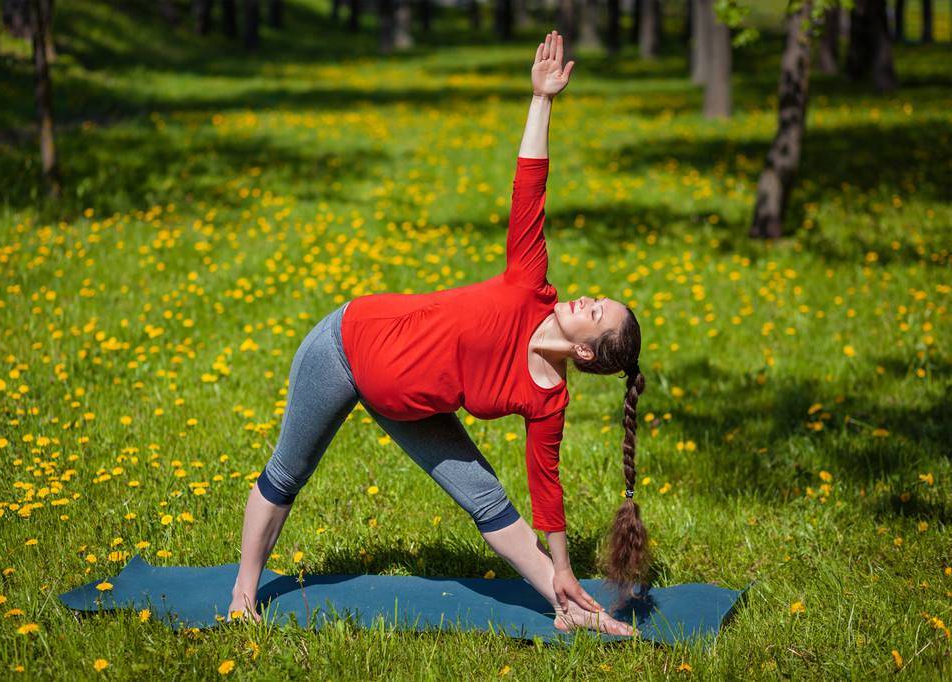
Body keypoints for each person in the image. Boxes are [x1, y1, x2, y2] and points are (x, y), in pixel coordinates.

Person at [229, 31, 649, 637]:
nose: (586, 298)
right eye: (597, 298)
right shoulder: (532, 285)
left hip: (414, 407)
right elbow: (530, 186)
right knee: (288, 473)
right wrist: (542, 101)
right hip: (347, 347)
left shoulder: (548, 398)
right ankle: (244, 593)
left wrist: (564, 570)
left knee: (488, 502)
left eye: (596, 312)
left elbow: (545, 490)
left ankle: (568, 609)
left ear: (586, 351)